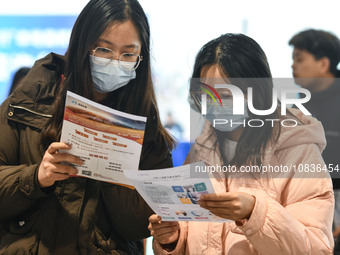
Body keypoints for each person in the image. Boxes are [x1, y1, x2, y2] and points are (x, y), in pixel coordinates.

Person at [0, 0, 174, 254]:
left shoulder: (146, 126)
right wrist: (38, 176)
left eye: (128, 54)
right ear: (83, 45)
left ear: (141, 57)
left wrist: (114, 170)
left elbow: (142, 225)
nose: (116, 62)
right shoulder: (30, 100)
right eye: (104, 50)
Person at [149, 33, 334, 254]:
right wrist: (172, 239)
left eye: (227, 95)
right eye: (206, 95)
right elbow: (188, 228)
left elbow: (316, 248)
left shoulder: (299, 151)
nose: (215, 105)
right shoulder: (201, 150)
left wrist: (255, 212)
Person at [288, 29, 340, 247]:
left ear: (323, 63)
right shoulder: (296, 109)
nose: (293, 66)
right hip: (308, 202)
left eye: (299, 58)